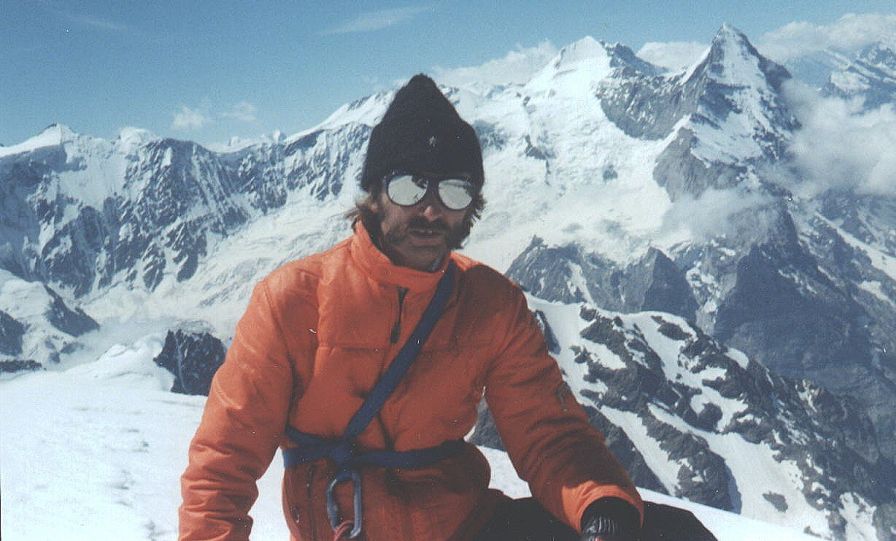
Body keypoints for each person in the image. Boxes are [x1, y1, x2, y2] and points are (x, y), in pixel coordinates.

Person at [180, 74, 645, 541]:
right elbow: (222, 469)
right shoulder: (291, 302)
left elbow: (549, 434)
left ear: (472, 207)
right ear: (376, 196)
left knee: (669, 532)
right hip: (349, 532)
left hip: (467, 526)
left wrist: (602, 510)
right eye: (409, 187)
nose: (430, 210)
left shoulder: (492, 304)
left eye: (454, 191)